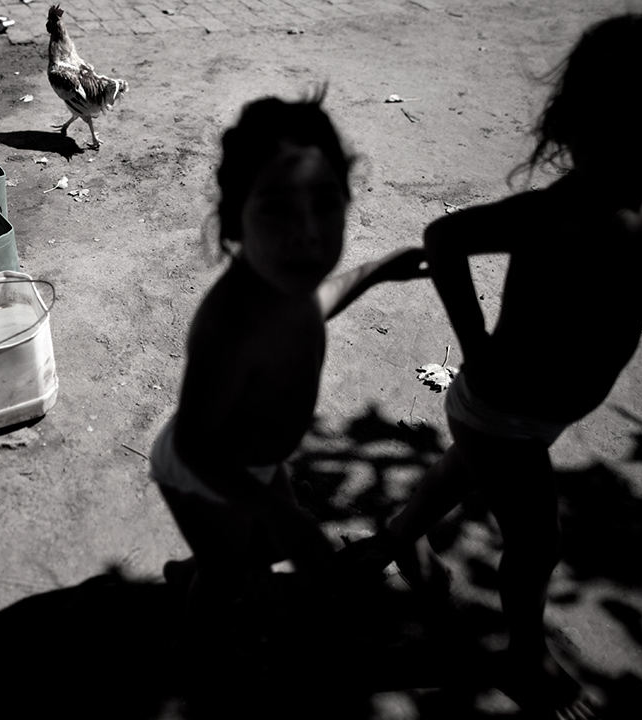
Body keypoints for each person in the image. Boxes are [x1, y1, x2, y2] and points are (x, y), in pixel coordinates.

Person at [334, 14, 642, 719]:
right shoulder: (557, 211)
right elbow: (443, 237)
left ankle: (389, 541)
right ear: (577, 130)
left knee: (456, 473)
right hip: (502, 412)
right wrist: (474, 342)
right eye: (614, 143)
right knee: (536, 546)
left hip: (533, 416)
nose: (631, 164)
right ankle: (525, 656)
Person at [151, 94, 427, 659]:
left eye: (325, 204)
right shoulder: (231, 323)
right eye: (277, 208)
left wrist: (377, 271)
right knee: (228, 569)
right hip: (205, 469)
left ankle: (206, 555)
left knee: (266, 542)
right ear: (234, 221)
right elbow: (195, 447)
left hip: (253, 460)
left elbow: (322, 298)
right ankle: (191, 649)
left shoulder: (289, 282)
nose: (306, 231)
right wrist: (280, 509)